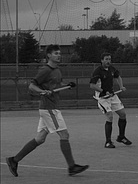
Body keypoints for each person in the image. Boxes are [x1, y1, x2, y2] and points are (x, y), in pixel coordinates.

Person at [5, 44, 89, 177]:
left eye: (59, 53)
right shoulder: (45, 70)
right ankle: (71, 167)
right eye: (56, 53)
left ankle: (14, 160)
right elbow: (32, 86)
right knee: (64, 135)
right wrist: (42, 91)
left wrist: (67, 86)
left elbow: (56, 84)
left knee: (39, 139)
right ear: (49, 55)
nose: (59, 55)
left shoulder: (57, 70)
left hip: (51, 107)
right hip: (49, 108)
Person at [89, 52, 131, 148]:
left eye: (109, 59)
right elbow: (92, 85)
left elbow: (118, 76)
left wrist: (121, 86)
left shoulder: (112, 69)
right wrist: (103, 91)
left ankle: (121, 137)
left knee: (123, 114)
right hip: (102, 98)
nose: (108, 61)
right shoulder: (97, 71)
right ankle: (108, 142)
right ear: (102, 60)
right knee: (110, 116)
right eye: (106, 59)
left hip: (112, 96)